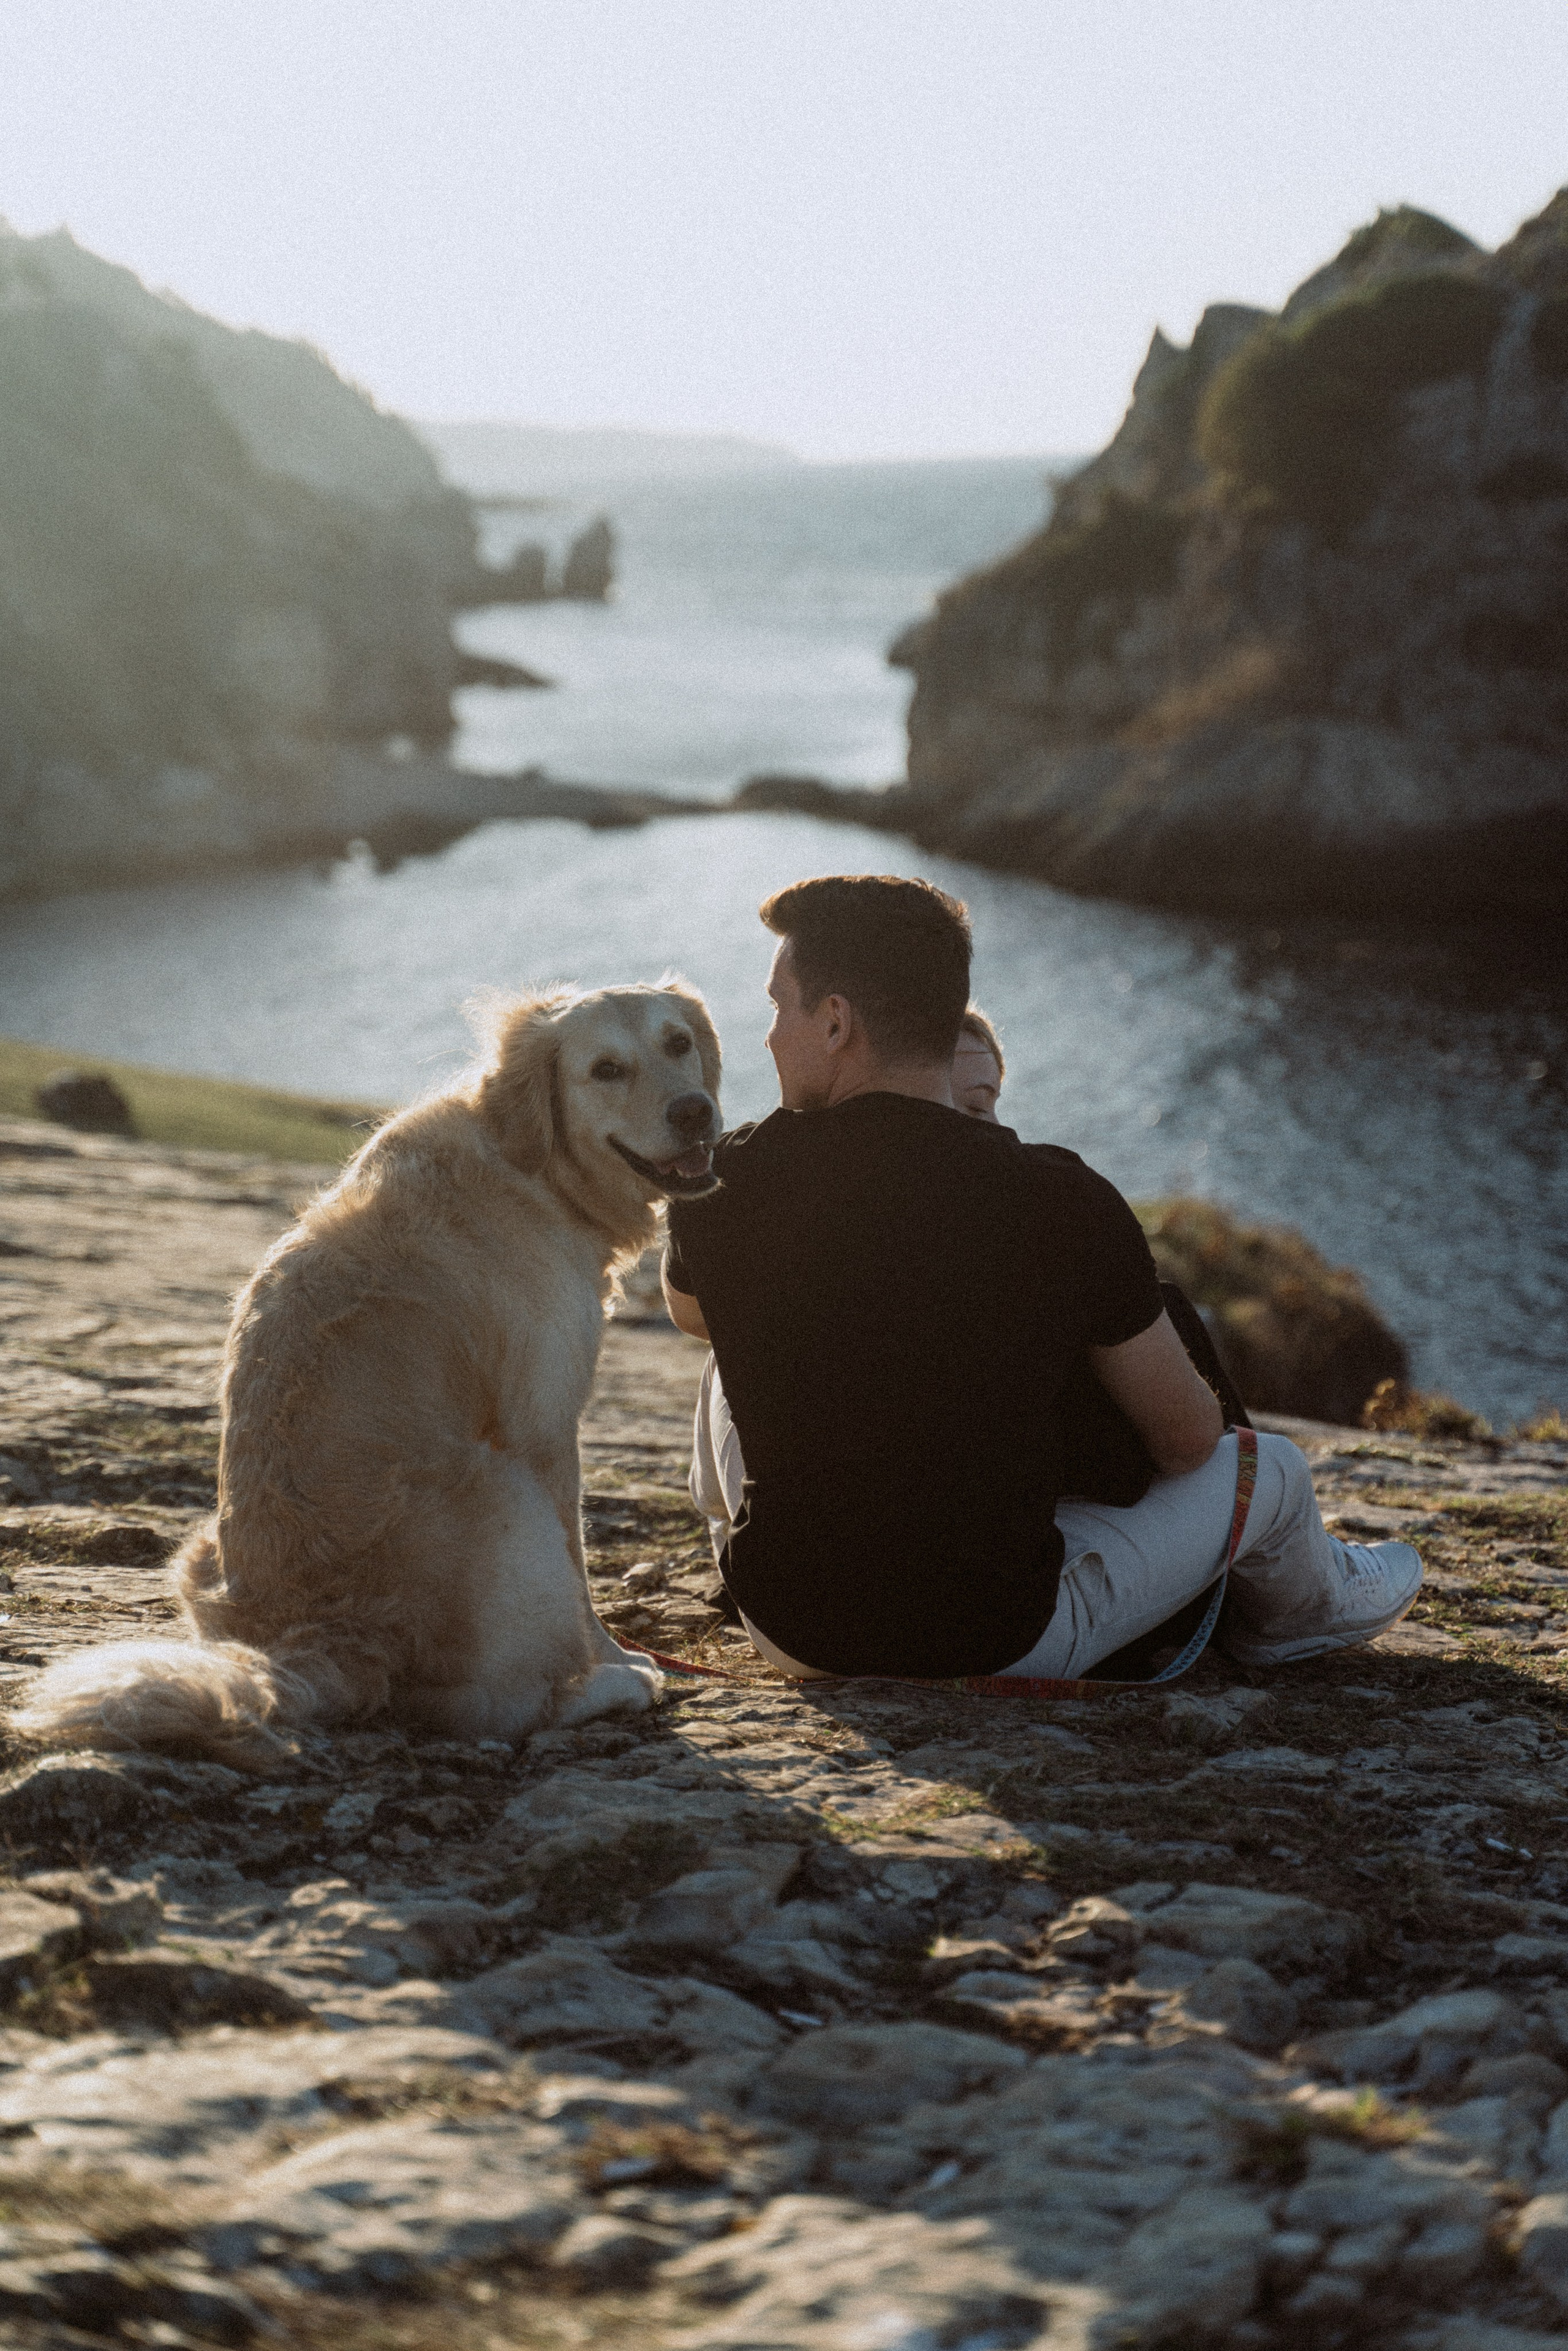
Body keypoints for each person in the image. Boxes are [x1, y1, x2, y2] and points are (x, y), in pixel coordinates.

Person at [663, 874, 1422, 1682]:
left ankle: (730, 1538)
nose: (772, 1036)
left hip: (790, 1627)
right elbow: (1188, 1439)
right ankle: (1304, 1612)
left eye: (780, 1007)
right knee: (1271, 1468)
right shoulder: (1063, 1198)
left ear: (838, 1021)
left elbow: (691, 1312)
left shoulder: (725, 1181)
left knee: (728, 1344)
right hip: (999, 1640)